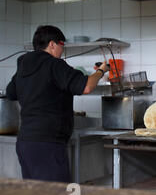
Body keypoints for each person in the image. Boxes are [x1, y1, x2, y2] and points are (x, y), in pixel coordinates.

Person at [6, 25, 109, 183]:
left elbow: (11, 92)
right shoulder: (54, 64)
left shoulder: (23, 65)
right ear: (52, 44)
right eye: (62, 44)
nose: (63, 49)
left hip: (25, 142)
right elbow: (87, 86)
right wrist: (101, 71)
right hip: (48, 144)